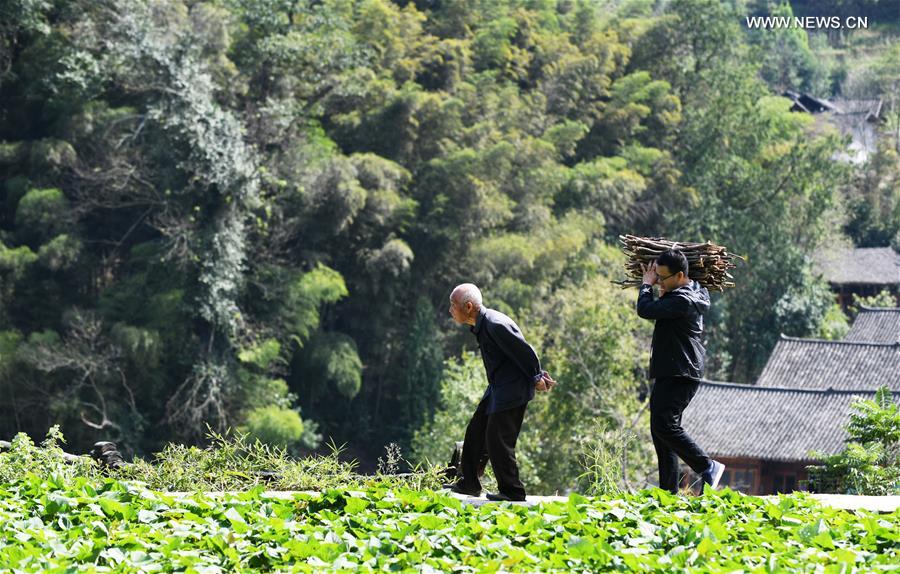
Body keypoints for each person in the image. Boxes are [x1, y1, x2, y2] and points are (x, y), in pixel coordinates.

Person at [445, 283, 555, 501]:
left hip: (512, 389)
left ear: (468, 306)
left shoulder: (495, 324)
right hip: (497, 387)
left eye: (453, 305)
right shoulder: (481, 325)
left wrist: (536, 377)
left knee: (497, 438)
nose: (450, 310)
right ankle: (469, 483)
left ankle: (512, 491)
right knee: (475, 431)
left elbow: (526, 351)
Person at [637, 249, 725, 494]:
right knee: (659, 429)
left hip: (680, 371)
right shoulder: (688, 292)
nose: (659, 281)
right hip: (676, 369)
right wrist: (663, 293)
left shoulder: (683, 299)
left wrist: (646, 285)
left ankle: (707, 466)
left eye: (663, 278)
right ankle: (668, 492)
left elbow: (645, 309)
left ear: (680, 275)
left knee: (665, 426)